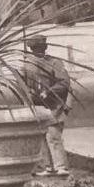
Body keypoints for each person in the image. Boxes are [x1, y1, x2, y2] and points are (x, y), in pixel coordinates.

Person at [27, 35, 72, 177]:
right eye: (35, 48)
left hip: (54, 104)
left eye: (40, 47)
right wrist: (29, 92)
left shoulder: (54, 63)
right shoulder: (27, 64)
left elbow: (64, 82)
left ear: (45, 47)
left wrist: (49, 91)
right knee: (42, 138)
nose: (38, 50)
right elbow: (23, 83)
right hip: (37, 105)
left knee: (54, 136)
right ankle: (48, 167)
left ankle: (61, 167)